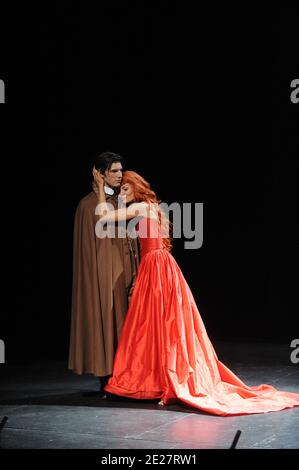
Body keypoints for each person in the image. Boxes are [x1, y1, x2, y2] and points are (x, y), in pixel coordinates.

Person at [93, 169, 299, 416]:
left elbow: (104, 218)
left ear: (136, 188)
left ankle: (159, 382)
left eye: (126, 189)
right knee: (158, 325)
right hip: (159, 266)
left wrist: (100, 189)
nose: (123, 195)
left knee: (155, 324)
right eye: (121, 191)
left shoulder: (143, 208)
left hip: (156, 267)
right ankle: (156, 381)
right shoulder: (153, 208)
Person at [68, 152, 140, 394]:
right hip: (105, 275)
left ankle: (132, 375)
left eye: (121, 170)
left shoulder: (124, 200)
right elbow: (88, 253)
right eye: (114, 171)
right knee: (110, 321)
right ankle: (108, 377)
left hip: (128, 270)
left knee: (130, 322)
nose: (120, 175)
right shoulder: (88, 206)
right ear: (100, 174)